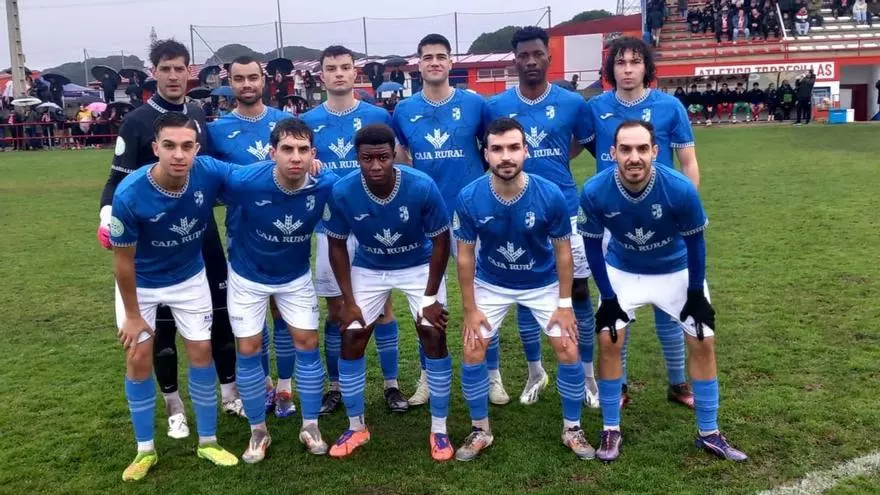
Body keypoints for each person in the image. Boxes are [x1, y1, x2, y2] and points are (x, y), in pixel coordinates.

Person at [579, 119, 748, 464]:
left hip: (675, 269)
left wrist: (696, 293)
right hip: (624, 269)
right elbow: (592, 246)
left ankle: (709, 432)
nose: (634, 157)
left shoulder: (679, 188)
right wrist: (607, 297)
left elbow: (696, 243)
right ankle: (610, 428)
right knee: (609, 338)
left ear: (655, 151)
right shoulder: (595, 190)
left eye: (642, 148)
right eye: (625, 149)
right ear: (612, 153)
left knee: (703, 339)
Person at [97, 39, 240, 440]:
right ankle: (173, 404)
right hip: (154, 237)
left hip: (199, 230)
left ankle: (229, 393)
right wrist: (106, 215)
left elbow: (210, 169)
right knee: (158, 327)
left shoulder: (196, 113)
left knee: (219, 313)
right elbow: (116, 180)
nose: (174, 76)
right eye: (166, 69)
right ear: (154, 72)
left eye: (180, 68)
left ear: (188, 72)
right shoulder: (137, 121)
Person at [454, 117, 592, 462]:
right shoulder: (469, 197)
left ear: (526, 151)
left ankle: (572, 429)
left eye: (514, 147)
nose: (506, 156)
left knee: (568, 348)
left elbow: (563, 253)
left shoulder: (550, 194)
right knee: (472, 349)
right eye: (497, 149)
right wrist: (470, 309)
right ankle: (480, 429)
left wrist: (565, 304)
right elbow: (465, 256)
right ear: (485, 154)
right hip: (492, 282)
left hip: (542, 283)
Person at [110, 112, 240, 481]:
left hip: (189, 278)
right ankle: (145, 450)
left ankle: (209, 442)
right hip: (141, 284)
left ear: (197, 149)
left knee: (201, 352)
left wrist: (303, 165)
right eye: (169, 146)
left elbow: (250, 177)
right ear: (156, 148)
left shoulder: (208, 171)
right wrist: (132, 315)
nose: (178, 154)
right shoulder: (130, 194)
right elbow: (123, 263)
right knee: (138, 358)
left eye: (186, 146)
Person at [580, 36, 701, 410]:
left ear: (647, 67)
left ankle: (678, 382)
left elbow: (688, 163)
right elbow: (578, 147)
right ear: (610, 68)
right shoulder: (596, 108)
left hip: (663, 220)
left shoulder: (669, 106)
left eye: (635, 62)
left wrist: (686, 210)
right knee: (617, 309)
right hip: (613, 221)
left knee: (671, 309)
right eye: (620, 62)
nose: (628, 69)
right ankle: (619, 386)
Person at [323, 123, 453, 460]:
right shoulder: (342, 191)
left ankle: (439, 430)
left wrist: (430, 298)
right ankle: (356, 427)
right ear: (357, 158)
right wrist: (348, 301)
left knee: (433, 333)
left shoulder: (421, 185)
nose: (376, 165)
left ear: (394, 154)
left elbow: (441, 241)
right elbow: (336, 246)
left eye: (383, 157)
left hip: (418, 264)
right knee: (352, 335)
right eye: (367, 158)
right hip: (369, 266)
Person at [485, 26, 594, 407]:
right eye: (523, 55)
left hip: (565, 209)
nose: (530, 61)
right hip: (513, 212)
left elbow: (589, 146)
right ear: (514, 60)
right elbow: (489, 153)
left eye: (537, 54)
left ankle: (587, 374)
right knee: (523, 292)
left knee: (578, 290)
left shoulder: (573, 103)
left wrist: (558, 159)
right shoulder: (496, 106)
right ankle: (535, 371)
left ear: (549, 57)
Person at [221, 118, 337, 462]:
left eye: (303, 149)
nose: (295, 157)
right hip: (247, 275)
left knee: (308, 343)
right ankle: (258, 430)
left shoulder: (325, 183)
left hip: (294, 276)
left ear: (313, 154)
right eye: (287, 149)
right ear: (272, 153)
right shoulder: (245, 180)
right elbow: (204, 176)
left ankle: (311, 425)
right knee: (249, 348)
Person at [300, 45, 405, 416]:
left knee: (384, 308)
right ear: (322, 75)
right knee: (337, 311)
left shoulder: (377, 115)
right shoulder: (308, 120)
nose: (339, 74)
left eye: (345, 67)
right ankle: (335, 387)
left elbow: (395, 163)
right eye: (331, 68)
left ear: (355, 73)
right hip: (330, 226)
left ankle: (391, 385)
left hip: (374, 224)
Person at [391, 33, 491, 406]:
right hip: (426, 218)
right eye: (427, 57)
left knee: (482, 296)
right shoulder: (404, 110)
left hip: (470, 214)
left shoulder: (475, 104)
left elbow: (491, 149)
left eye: (441, 56)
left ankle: (492, 374)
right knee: (427, 299)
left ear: (451, 62)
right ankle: (428, 378)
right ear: (418, 64)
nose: (434, 62)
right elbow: (401, 155)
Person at [207, 55, 298, 418]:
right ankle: (263, 385)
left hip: (288, 232)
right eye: (239, 78)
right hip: (242, 234)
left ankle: (286, 388)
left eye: (252, 77)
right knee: (253, 318)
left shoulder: (286, 123)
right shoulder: (217, 130)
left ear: (264, 80)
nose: (246, 84)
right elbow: (210, 181)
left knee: (284, 313)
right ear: (229, 82)